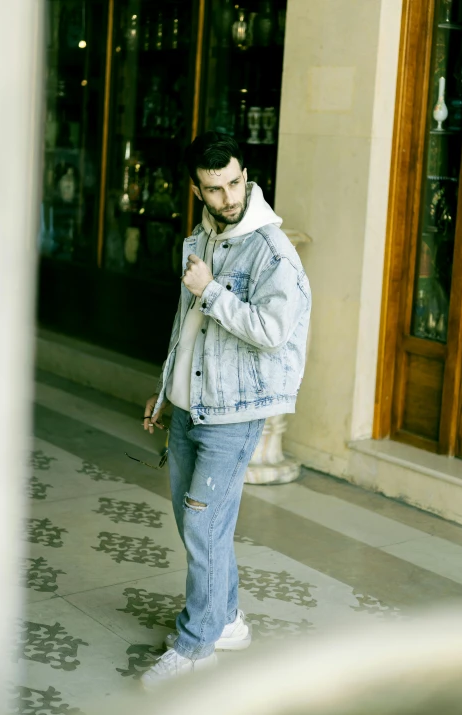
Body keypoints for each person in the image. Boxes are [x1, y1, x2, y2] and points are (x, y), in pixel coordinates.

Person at [141, 131, 311, 687]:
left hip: (233, 413)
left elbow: (272, 331)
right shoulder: (201, 236)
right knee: (200, 527)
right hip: (193, 405)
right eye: (214, 189)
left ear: (246, 174)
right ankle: (228, 618)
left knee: (202, 524)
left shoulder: (271, 250)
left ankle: (197, 648)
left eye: (234, 182)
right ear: (197, 190)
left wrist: (213, 290)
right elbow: (184, 325)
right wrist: (167, 390)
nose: (228, 197)